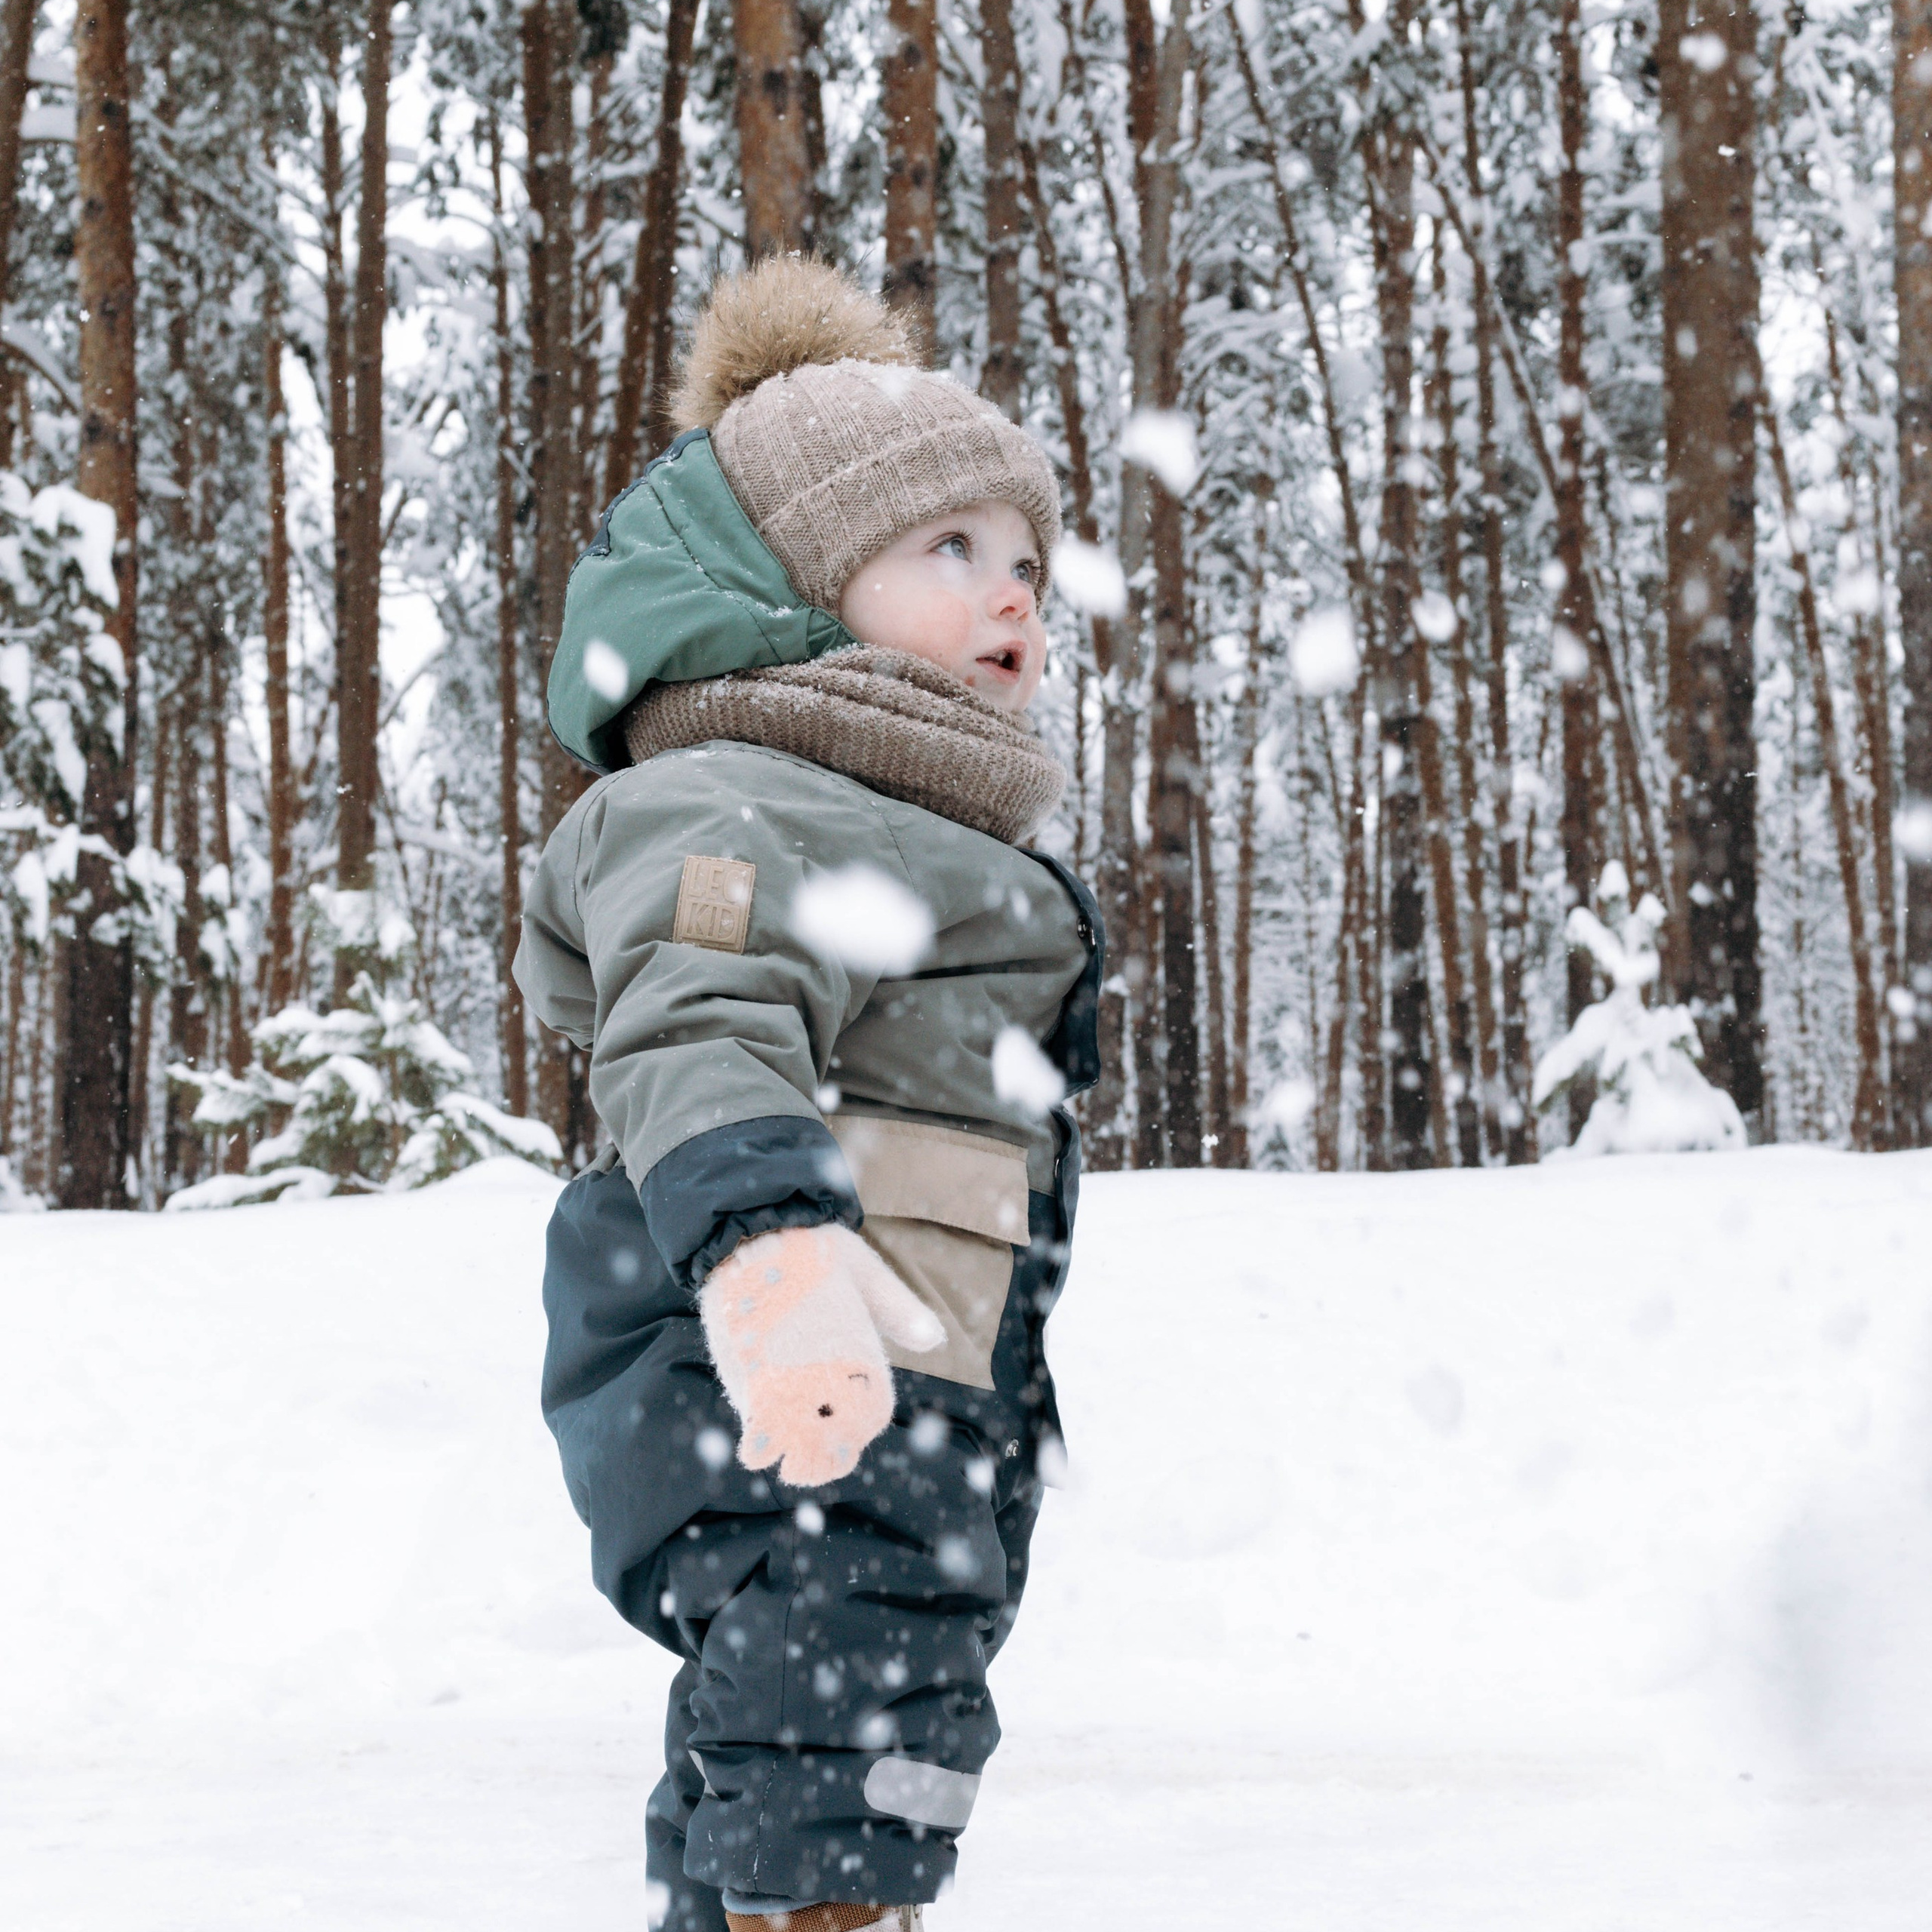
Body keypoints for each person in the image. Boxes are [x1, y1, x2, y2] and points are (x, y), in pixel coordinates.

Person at [515, 257, 1102, 1932]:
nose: (1012, 598)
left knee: (810, 1730)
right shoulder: (728, 796)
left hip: (895, 1381)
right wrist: (772, 1261)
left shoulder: (877, 815)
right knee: (837, 1747)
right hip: (779, 1360)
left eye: (1026, 563)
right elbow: (697, 1017)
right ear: (794, 581)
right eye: (948, 550)